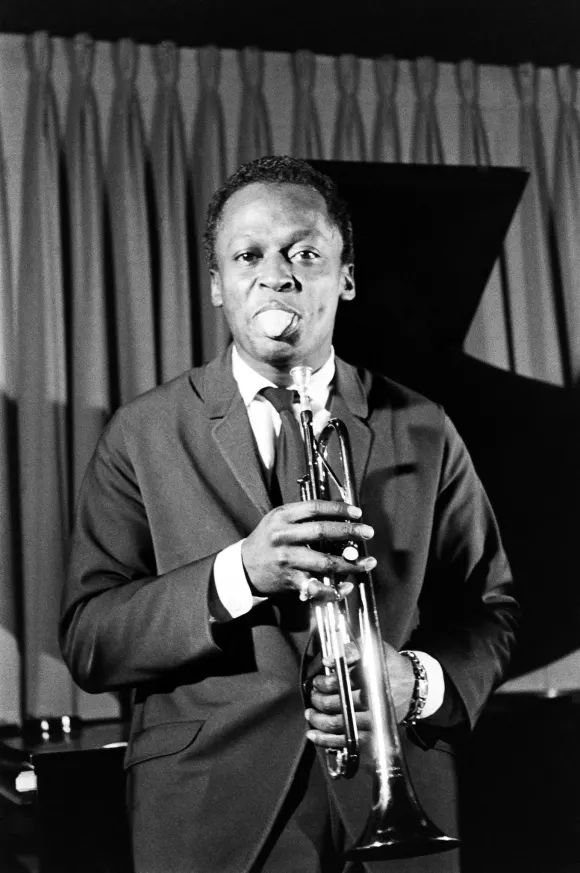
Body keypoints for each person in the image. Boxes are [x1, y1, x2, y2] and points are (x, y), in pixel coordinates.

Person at [60, 156, 519, 873]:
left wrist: (418, 681)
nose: (277, 275)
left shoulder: (424, 426)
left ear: (347, 276)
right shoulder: (141, 432)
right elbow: (91, 639)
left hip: (401, 806)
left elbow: (492, 610)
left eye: (305, 252)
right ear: (217, 285)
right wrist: (239, 573)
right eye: (248, 255)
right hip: (212, 813)